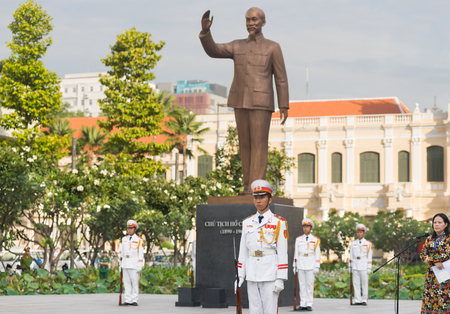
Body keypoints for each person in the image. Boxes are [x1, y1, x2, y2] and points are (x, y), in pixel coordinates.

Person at [199, 8, 289, 194]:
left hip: (261, 102)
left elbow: (280, 78)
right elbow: (214, 50)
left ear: (263, 22)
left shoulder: (273, 47)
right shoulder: (237, 45)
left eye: (254, 20)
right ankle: (247, 186)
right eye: (247, 20)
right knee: (245, 145)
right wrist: (206, 33)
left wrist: (284, 104)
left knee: (259, 145)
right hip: (240, 100)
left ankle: (257, 188)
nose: (250, 23)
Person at [236, 179, 288, 314]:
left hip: (270, 273)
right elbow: (243, 250)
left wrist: (280, 278)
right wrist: (240, 275)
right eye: (256, 198)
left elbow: (282, 252)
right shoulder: (247, 222)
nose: (258, 201)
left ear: (270, 200)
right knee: (254, 310)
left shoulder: (279, 222)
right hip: (252, 272)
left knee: (270, 310)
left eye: (262, 197)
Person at [420, 213, 450, 313]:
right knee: (430, 299)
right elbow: (423, 255)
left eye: (439, 222)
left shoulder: (448, 239)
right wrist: (435, 261)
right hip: (431, 275)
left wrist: (431, 259)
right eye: (434, 222)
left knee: (444, 299)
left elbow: (447, 254)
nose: (436, 224)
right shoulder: (429, 239)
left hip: (445, 274)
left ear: (445, 224)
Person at [293, 218, 321, 311]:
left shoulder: (316, 240)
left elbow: (317, 253)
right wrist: (294, 265)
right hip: (301, 263)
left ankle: (309, 304)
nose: (305, 228)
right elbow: (296, 253)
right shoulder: (298, 239)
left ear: (311, 228)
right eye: (304, 227)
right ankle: (303, 304)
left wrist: (317, 266)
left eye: (307, 227)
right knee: (302, 285)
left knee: (309, 285)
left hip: (311, 264)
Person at [120, 220, 144, 306]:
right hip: (125, 263)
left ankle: (134, 300)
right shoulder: (124, 239)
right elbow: (122, 252)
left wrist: (140, 265)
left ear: (135, 229)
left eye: (131, 228)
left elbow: (140, 253)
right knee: (126, 283)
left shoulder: (139, 240)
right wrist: (120, 264)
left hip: (134, 264)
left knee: (134, 283)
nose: (129, 230)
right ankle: (127, 300)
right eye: (128, 228)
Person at [349, 223, 373, 306]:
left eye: (360, 232)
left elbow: (369, 256)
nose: (359, 233)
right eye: (358, 232)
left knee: (364, 283)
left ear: (364, 233)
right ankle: (357, 299)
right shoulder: (353, 243)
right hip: (355, 264)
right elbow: (351, 255)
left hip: (364, 265)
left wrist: (369, 267)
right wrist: (350, 266)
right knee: (356, 283)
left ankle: (364, 299)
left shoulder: (368, 243)